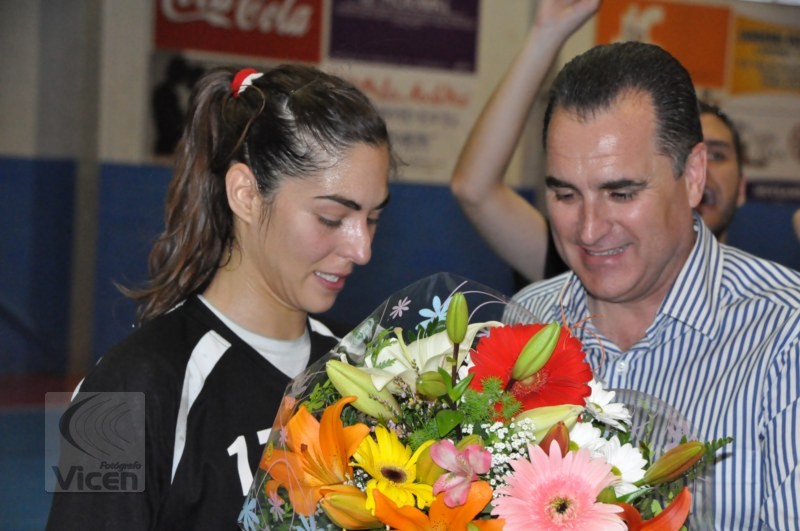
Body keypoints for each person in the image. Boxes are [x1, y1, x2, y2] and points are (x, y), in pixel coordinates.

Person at [46, 64, 394, 530]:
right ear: (245, 194)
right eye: (332, 218)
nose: (362, 249)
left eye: (372, 219)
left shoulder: (370, 366)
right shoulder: (119, 389)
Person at [508, 40, 800, 530]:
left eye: (621, 193)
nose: (589, 230)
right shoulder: (526, 320)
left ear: (693, 176)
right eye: (565, 194)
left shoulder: (786, 335)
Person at [451, 0, 749, 282]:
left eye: (718, 155)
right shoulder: (589, 261)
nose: (591, 230)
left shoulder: (766, 308)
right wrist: (546, 33)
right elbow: (475, 189)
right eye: (567, 194)